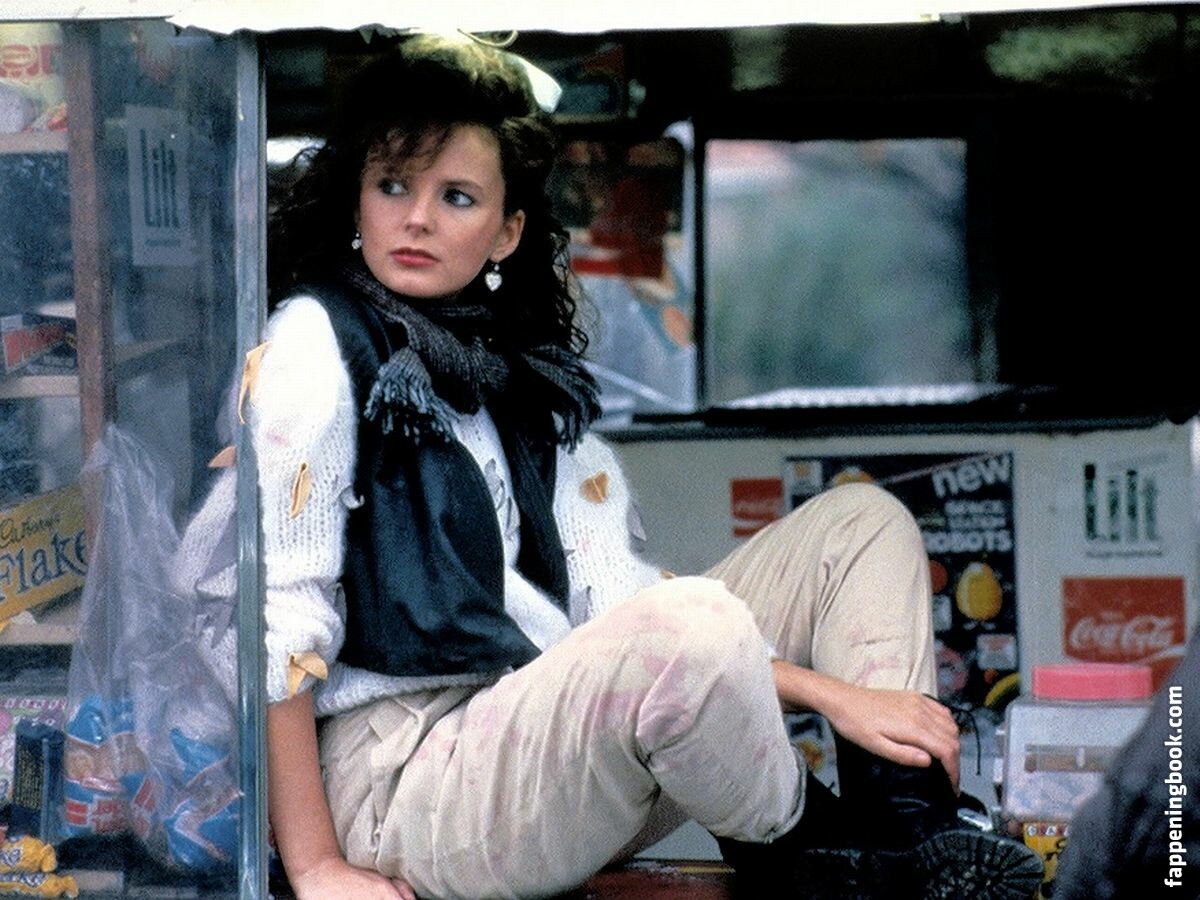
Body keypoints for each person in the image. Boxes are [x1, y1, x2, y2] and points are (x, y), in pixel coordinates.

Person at [227, 34, 1043, 900]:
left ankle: (914, 836)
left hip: (533, 736)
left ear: (507, 232)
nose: (417, 218)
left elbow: (612, 605)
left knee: (859, 527)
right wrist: (317, 866)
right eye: (393, 185)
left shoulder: (521, 376)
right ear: (357, 198)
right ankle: (825, 860)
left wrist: (832, 694)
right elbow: (278, 625)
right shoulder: (314, 344)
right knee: (690, 626)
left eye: (456, 196)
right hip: (397, 784)